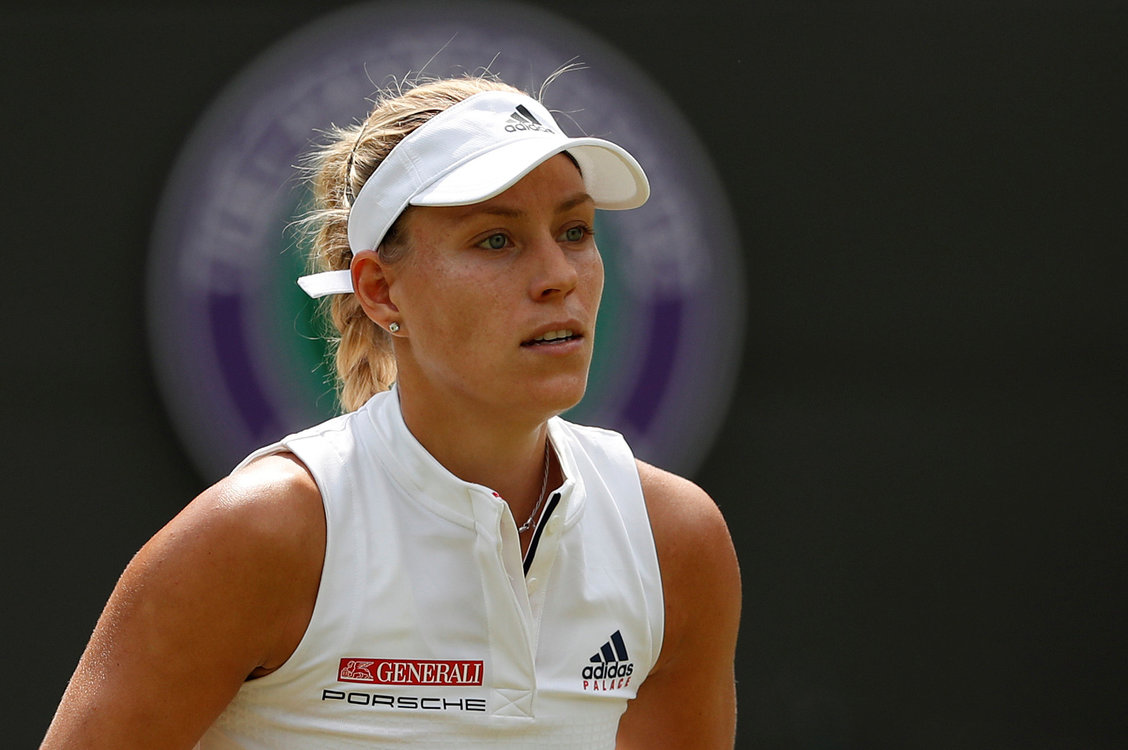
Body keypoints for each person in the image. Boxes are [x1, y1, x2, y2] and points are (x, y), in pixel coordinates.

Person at [41, 74, 741, 749]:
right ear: (380, 290)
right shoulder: (261, 535)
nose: (559, 275)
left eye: (576, 231)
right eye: (496, 240)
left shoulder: (675, 541)